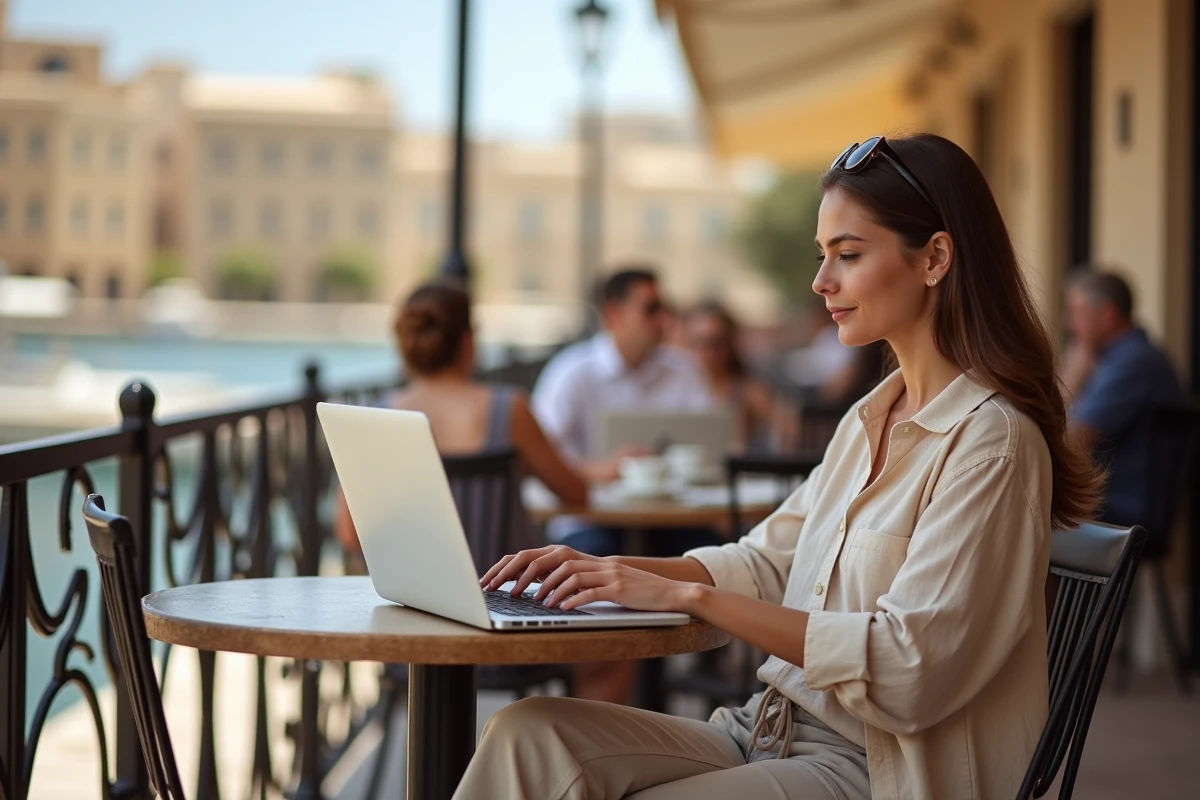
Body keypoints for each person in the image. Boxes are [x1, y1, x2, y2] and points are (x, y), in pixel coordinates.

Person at [456, 134, 1102, 800]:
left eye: (848, 256)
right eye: (824, 257)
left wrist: (688, 595)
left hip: (880, 769)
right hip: (768, 728)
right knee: (526, 733)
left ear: (935, 257)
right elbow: (765, 562)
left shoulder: (990, 443)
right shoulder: (867, 421)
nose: (822, 282)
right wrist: (608, 572)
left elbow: (910, 671)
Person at [334, 280, 588, 555]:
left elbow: (350, 534)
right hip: (506, 589)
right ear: (467, 342)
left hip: (415, 596)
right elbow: (574, 491)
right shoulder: (509, 409)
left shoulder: (377, 416)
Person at [1061, 268, 1182, 532]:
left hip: (1120, 509)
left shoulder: (1132, 362)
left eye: (1077, 313)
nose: (1070, 325)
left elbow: (1070, 441)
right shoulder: (1123, 358)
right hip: (1120, 504)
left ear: (1107, 315)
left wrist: (1071, 379)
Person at [682, 300, 792, 451]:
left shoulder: (748, 389)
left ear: (730, 344)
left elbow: (789, 431)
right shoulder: (682, 384)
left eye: (716, 343)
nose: (708, 353)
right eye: (699, 343)